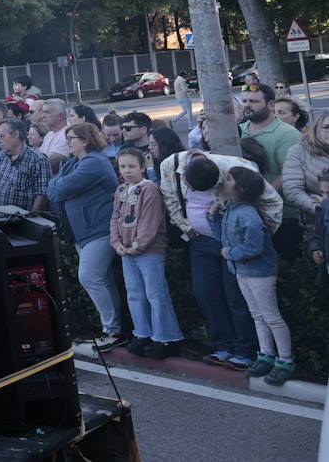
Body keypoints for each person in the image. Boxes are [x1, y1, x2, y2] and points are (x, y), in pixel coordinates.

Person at [167, 154, 281, 371]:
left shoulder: (234, 169)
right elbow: (170, 198)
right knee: (206, 294)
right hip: (200, 241)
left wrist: (260, 239)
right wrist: (185, 227)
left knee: (235, 297)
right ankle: (224, 345)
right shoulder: (171, 166)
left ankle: (246, 350)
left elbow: (273, 202)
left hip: (232, 244)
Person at [211, 166, 295, 385]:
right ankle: (266, 354)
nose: (224, 181)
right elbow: (222, 236)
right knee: (257, 314)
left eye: (229, 179)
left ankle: (285, 360)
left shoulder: (248, 214)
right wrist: (213, 216)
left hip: (259, 272)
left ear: (241, 187)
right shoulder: (230, 208)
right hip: (242, 270)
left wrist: (229, 253)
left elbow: (253, 246)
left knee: (271, 316)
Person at [47, 122, 123, 349]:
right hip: (83, 233)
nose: (68, 141)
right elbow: (52, 189)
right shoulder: (73, 163)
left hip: (99, 231)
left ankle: (112, 330)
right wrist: (62, 187)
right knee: (104, 281)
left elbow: (59, 189)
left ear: (86, 140)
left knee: (89, 277)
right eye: (67, 137)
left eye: (72, 138)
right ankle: (115, 329)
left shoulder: (94, 162)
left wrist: (63, 188)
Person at [110, 147, 183, 359]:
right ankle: (142, 333)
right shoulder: (121, 190)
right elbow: (115, 218)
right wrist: (116, 243)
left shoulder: (150, 189)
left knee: (156, 295)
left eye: (132, 166)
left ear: (142, 167)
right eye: (123, 166)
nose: (127, 170)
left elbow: (150, 222)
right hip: (126, 251)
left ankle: (166, 338)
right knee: (135, 294)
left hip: (149, 251)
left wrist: (137, 245)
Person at [239, 84, 302, 254]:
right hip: (245, 215)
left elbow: (287, 174)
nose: (247, 105)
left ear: (271, 105)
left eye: (253, 101)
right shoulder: (237, 131)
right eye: (244, 100)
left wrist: (260, 198)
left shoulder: (287, 134)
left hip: (281, 217)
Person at [0, 120, 50, 212]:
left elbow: (42, 194)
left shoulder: (38, 159)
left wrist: (33, 218)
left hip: (22, 221)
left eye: (1, 136)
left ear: (15, 134)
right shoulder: (1, 158)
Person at [283, 117, 329, 226]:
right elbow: (292, 191)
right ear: (316, 129)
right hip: (318, 224)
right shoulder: (299, 151)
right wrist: (322, 210)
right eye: (327, 127)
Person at [36, 99, 71, 170]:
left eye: (47, 112)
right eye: (42, 112)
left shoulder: (67, 134)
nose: (43, 116)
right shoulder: (49, 135)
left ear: (60, 115)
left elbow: (50, 162)